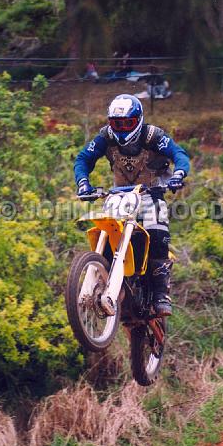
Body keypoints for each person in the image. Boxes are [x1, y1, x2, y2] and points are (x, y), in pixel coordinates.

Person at [74, 94, 190, 316]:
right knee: (103, 227)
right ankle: (104, 276)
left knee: (157, 227)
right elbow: (83, 159)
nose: (122, 128)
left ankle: (160, 292)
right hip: (118, 195)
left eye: (127, 123)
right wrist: (83, 183)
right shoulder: (105, 137)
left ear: (138, 120)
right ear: (110, 123)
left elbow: (179, 154)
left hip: (151, 192)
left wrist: (178, 174)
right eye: (117, 123)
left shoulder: (153, 136)